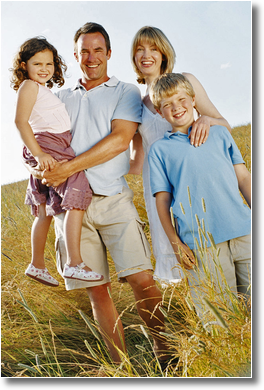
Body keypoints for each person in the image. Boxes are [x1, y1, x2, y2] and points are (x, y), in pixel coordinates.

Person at [31, 23, 167, 364]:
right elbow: (40, 139)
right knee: (97, 289)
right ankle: (119, 365)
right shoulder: (59, 97)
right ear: (76, 56)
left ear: (108, 53)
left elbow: (120, 140)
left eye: (98, 50)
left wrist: (68, 167)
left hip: (112, 199)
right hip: (69, 207)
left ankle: (166, 352)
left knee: (142, 279)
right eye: (84, 51)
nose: (91, 58)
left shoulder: (125, 92)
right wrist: (39, 167)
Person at [130, 26, 232, 286]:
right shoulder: (136, 102)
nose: (146, 54)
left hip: (193, 177)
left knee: (208, 248)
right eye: (139, 49)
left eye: (153, 48)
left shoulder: (185, 81)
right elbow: (137, 160)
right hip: (158, 186)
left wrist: (206, 120)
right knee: (178, 255)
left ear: (164, 53)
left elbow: (225, 125)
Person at [148, 73, 251, 313]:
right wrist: (175, 243)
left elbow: (244, 178)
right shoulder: (160, 151)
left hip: (244, 231)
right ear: (159, 111)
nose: (176, 107)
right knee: (219, 315)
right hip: (201, 245)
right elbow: (162, 201)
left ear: (194, 100)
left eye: (182, 99)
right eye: (167, 104)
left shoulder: (220, 134)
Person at [11, 37, 103, 287]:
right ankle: (75, 263)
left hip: (50, 145)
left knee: (44, 213)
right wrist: (39, 154)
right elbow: (21, 122)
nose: (44, 68)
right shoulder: (29, 86)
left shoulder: (42, 89)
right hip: (49, 145)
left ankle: (37, 264)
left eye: (49, 64)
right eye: (37, 63)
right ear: (23, 66)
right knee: (79, 190)